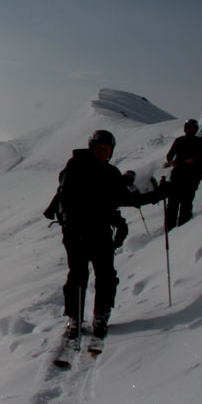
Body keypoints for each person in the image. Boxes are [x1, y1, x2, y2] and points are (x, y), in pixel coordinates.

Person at [43, 129, 152, 342]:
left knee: (96, 275)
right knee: (86, 275)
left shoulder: (96, 170)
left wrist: (156, 195)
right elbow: (113, 199)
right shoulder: (88, 169)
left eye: (106, 149)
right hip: (83, 231)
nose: (103, 152)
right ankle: (82, 318)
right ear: (92, 148)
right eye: (99, 148)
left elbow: (122, 198)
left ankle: (91, 317)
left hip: (88, 231)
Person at [164, 118, 202, 231]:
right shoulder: (179, 140)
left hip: (192, 177)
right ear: (185, 128)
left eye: (193, 128)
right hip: (178, 175)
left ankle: (183, 228)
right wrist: (172, 162)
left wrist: (194, 160)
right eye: (189, 127)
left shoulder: (200, 142)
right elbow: (169, 156)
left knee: (186, 204)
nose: (191, 129)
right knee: (173, 203)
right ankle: (169, 227)